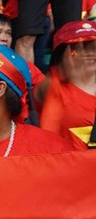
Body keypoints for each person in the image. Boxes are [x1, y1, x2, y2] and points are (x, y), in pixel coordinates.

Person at [40, 20, 96, 149]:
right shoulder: (53, 87)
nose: (89, 54)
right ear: (61, 56)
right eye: (75, 50)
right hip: (69, 166)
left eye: (94, 47)